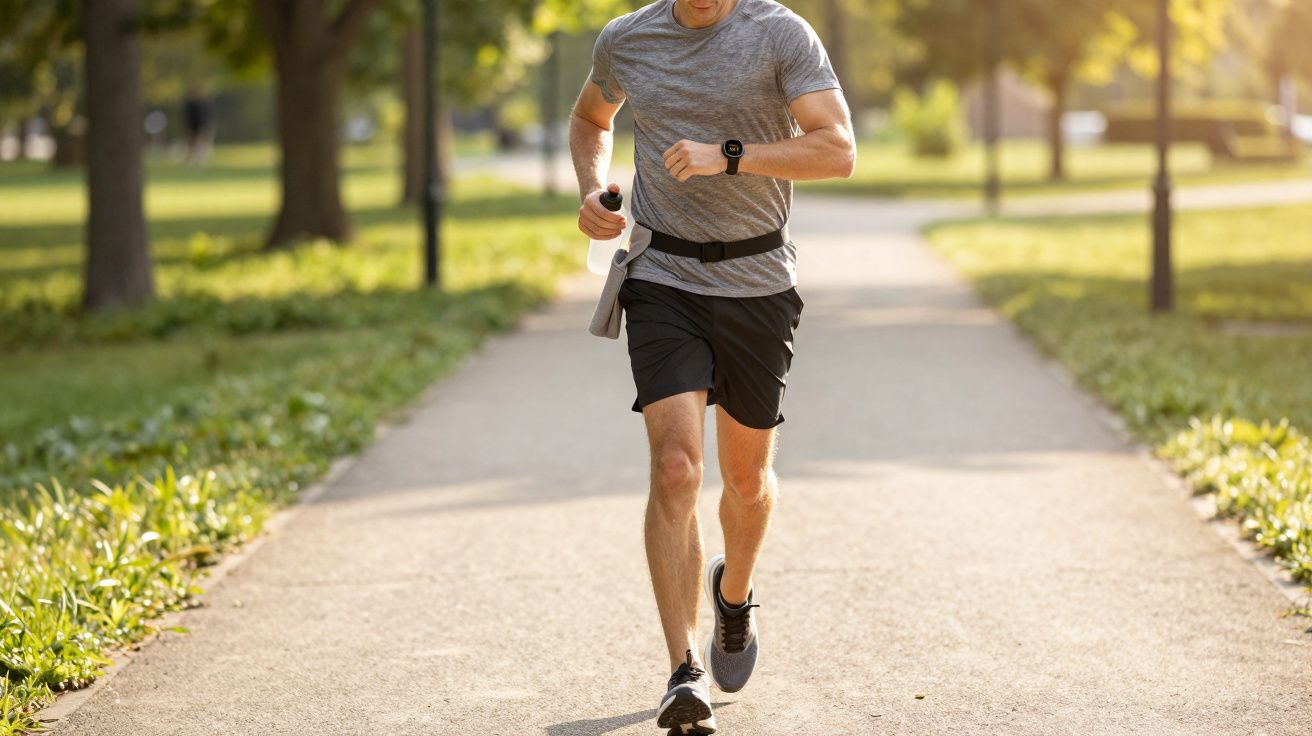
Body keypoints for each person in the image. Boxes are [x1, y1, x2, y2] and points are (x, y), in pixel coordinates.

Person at [569, 1, 855, 733]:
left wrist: (729, 153)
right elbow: (590, 119)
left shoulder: (779, 33)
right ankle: (683, 670)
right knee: (676, 468)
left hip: (759, 280)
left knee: (749, 481)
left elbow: (837, 150)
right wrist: (591, 190)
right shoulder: (627, 38)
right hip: (662, 276)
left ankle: (734, 594)